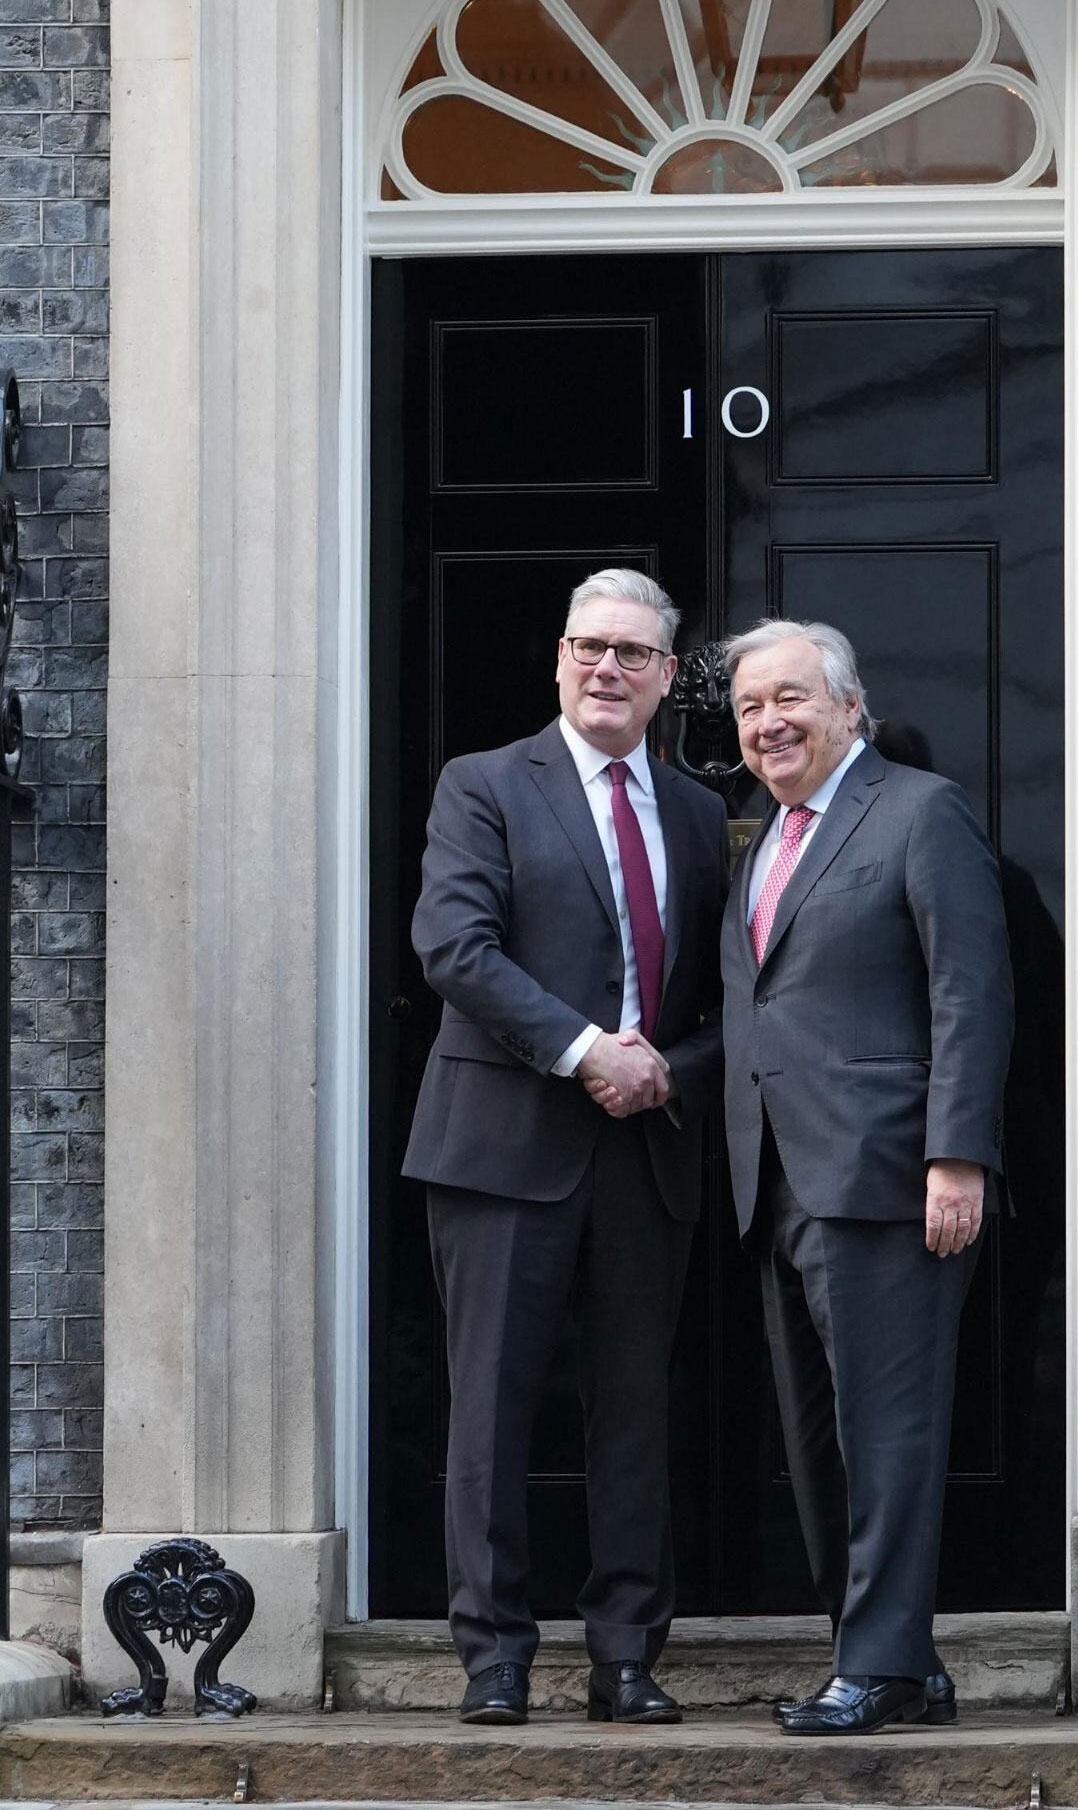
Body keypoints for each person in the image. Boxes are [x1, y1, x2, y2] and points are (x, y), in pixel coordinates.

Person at [403, 569, 728, 1726]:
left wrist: (668, 1070)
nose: (607, 668)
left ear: (666, 676)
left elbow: (733, 992)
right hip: (503, 1145)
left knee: (634, 1413)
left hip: (648, 1149)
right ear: (557, 658)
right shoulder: (485, 783)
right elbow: (455, 945)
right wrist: (590, 1049)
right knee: (490, 1410)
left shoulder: (698, 812)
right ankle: (494, 1656)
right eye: (589, 646)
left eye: (632, 653)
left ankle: (626, 1655)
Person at [717, 618, 1013, 1737]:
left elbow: (970, 990)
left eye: (790, 697)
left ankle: (879, 1665)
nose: (768, 722)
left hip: (891, 1176)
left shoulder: (921, 810)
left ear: (850, 706)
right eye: (750, 706)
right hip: (776, 1179)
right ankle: (891, 1657)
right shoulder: (764, 839)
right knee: (816, 1443)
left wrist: (957, 1154)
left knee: (887, 1436)